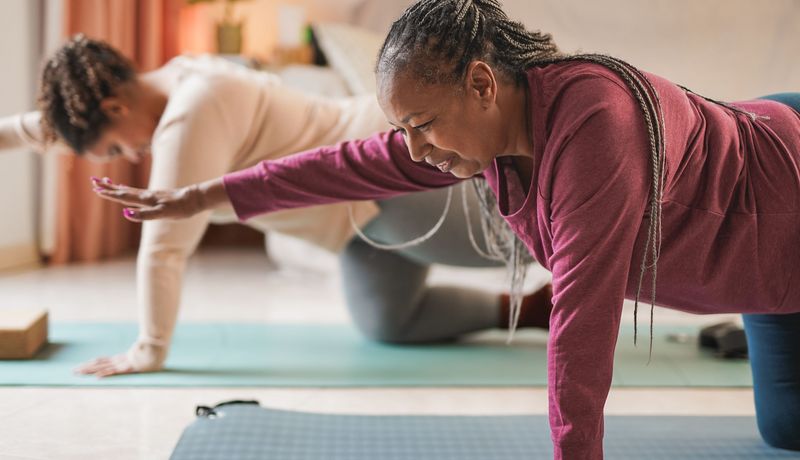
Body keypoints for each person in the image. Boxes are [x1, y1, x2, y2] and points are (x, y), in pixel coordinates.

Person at [93, 0, 800, 457]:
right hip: (756, 258)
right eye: (406, 128)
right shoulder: (490, 140)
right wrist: (204, 196)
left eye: (422, 125)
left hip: (786, 188)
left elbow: (581, 326)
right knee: (786, 433)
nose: (416, 147)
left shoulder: (595, 126)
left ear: (483, 84)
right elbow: (351, 163)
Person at [3, 34, 554, 379]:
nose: (130, 156)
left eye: (117, 146)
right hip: (353, 231)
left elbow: (164, 247)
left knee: (534, 240)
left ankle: (597, 245)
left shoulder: (191, 112)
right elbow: (43, 129)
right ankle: (529, 310)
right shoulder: (175, 78)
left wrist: (148, 350)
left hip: (385, 183)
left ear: (115, 105)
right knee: (391, 320)